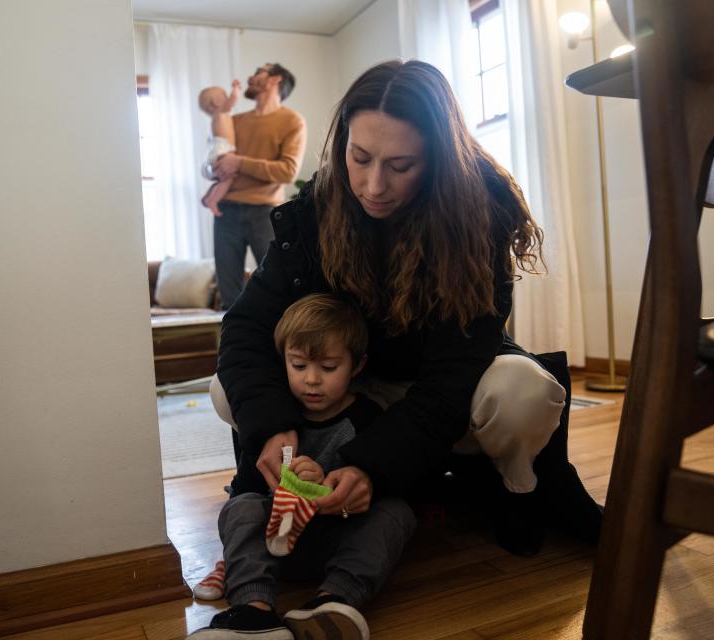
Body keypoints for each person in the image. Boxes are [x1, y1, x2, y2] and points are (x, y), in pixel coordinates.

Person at [212, 59, 603, 564]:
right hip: (351, 380)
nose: (374, 186)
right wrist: (270, 427)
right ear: (341, 146)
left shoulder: (479, 216)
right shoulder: (313, 212)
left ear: (439, 159)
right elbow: (245, 326)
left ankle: (514, 489)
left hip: (439, 384)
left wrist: (370, 467)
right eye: (360, 157)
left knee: (523, 392)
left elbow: (453, 378)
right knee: (228, 390)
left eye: (401, 166)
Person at [188, 294, 416, 640]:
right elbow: (249, 489)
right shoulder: (273, 416)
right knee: (241, 506)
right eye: (298, 366)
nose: (311, 380)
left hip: (338, 542)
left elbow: (384, 482)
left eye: (328, 368)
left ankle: (333, 602)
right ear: (282, 362)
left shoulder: (367, 417)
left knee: (396, 513)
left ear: (356, 365)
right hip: (275, 543)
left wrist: (326, 485)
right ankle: (254, 610)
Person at [209, 63, 307, 311]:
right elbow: (217, 163)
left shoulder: (292, 121)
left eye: (259, 71)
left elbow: (287, 171)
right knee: (229, 295)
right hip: (226, 212)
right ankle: (234, 350)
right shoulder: (234, 120)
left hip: (266, 214)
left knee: (278, 289)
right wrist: (215, 166)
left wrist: (238, 162)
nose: (251, 76)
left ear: (275, 79)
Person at [198, 80, 242, 217]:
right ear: (217, 102)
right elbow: (233, 101)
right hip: (222, 150)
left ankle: (208, 196)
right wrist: (236, 88)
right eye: (224, 95)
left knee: (222, 180)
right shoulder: (221, 112)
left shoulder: (216, 117)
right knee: (228, 179)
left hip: (215, 151)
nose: (227, 97)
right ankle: (213, 200)